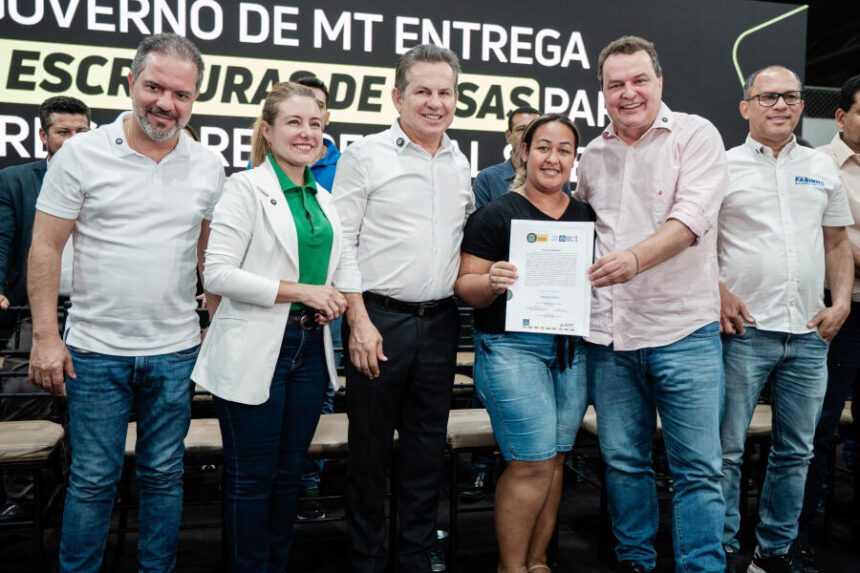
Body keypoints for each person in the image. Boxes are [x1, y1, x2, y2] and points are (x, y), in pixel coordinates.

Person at [27, 33, 224, 571]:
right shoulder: (81, 154)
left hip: (176, 351)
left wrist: (215, 328)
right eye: (154, 87)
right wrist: (45, 336)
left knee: (164, 475)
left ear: (195, 98)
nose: (166, 103)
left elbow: (211, 258)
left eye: (181, 94)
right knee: (92, 479)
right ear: (131, 83)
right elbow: (45, 247)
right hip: (94, 352)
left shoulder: (208, 164)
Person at [576, 35, 728, 573]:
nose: (629, 93)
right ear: (602, 92)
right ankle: (635, 562)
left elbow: (691, 220)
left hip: (684, 332)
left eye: (639, 80)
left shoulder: (696, 135)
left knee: (698, 470)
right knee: (623, 463)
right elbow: (580, 233)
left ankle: (701, 567)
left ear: (659, 82)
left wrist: (634, 260)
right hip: (610, 337)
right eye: (615, 84)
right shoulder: (591, 156)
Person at [192, 81, 347, 571]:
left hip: (309, 347)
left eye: (315, 124)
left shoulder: (323, 197)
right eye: (294, 122)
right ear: (266, 129)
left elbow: (333, 273)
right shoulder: (243, 187)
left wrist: (331, 299)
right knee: (251, 480)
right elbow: (218, 274)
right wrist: (303, 291)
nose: (307, 133)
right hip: (256, 346)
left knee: (287, 477)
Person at [333, 43, 474, 572]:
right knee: (369, 450)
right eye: (423, 91)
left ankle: (414, 553)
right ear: (397, 97)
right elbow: (342, 243)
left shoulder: (460, 162)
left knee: (425, 449)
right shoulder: (364, 155)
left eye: (445, 92)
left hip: (440, 323)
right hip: (379, 321)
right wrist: (359, 321)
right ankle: (367, 558)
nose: (435, 102)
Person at [719, 66, 854, 573]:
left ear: (801, 105)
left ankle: (772, 553)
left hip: (810, 333)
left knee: (796, 452)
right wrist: (717, 292)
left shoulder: (821, 167)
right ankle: (721, 551)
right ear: (745, 107)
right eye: (768, 96)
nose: (781, 105)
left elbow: (837, 242)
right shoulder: (722, 166)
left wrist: (841, 304)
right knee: (726, 451)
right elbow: (697, 241)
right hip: (743, 332)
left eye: (791, 96)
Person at [455, 113, 592, 573]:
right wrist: (490, 282)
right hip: (512, 351)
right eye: (543, 148)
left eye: (564, 150)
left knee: (553, 461)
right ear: (524, 152)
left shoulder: (584, 216)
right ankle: (511, 567)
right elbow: (465, 286)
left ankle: (537, 562)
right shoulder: (496, 214)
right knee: (530, 463)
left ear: (574, 159)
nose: (553, 158)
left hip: (570, 353)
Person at [0, 95, 90, 522]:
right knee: (21, 388)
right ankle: (25, 498)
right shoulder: (16, 181)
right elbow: (2, 240)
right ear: (43, 135)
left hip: (100, 308)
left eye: (81, 132)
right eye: (62, 132)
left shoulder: (111, 178)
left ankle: (92, 493)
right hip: (39, 308)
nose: (72, 141)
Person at [799, 73, 860, 554]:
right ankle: (802, 529)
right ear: (840, 116)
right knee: (819, 425)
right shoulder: (817, 165)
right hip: (841, 312)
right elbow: (832, 241)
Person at [294, 75, 343, 521]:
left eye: (318, 107)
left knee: (323, 395)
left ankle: (308, 486)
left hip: (331, 305)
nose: (309, 121)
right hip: (276, 306)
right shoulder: (256, 172)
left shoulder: (345, 166)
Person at [472, 106, 540, 209]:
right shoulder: (487, 179)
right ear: (508, 136)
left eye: (534, 129)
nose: (528, 135)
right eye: (522, 129)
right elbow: (479, 219)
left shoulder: (554, 179)